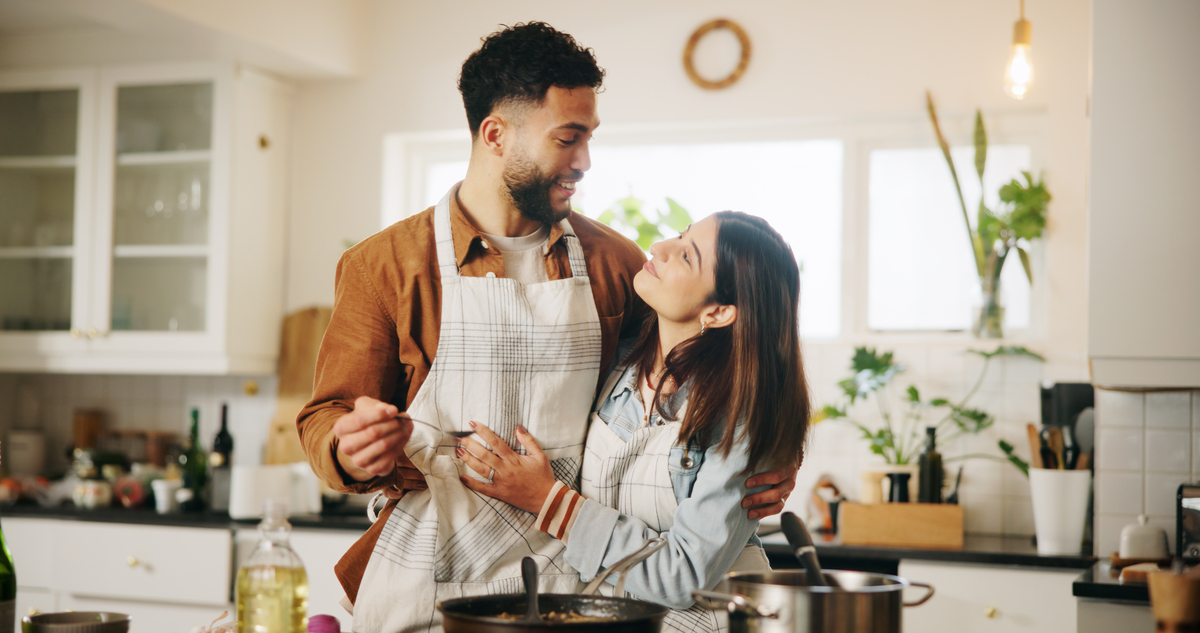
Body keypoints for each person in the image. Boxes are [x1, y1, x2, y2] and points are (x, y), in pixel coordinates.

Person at [295, 23, 796, 633]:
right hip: (429, 587)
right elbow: (326, 416)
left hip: (582, 592)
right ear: (496, 134)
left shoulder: (615, 264)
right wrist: (349, 448)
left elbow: (716, 361)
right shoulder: (385, 267)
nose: (585, 161)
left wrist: (773, 454)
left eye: (589, 137)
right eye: (569, 138)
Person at [458, 212, 811, 631]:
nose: (660, 247)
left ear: (717, 312)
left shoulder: (740, 413)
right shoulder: (617, 362)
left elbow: (680, 577)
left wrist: (547, 501)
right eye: (679, 235)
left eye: (687, 255)